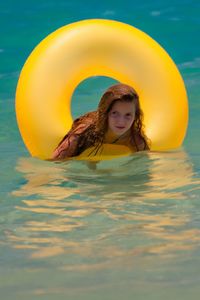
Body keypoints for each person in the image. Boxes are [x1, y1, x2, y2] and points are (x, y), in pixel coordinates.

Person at [52, 83, 150, 160]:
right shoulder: (85, 133)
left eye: (128, 115)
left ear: (135, 116)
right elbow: (55, 162)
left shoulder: (136, 140)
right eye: (115, 113)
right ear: (105, 113)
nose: (121, 121)